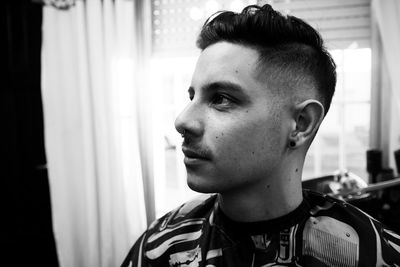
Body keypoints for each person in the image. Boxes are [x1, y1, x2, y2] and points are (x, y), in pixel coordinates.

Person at [122, 4, 400, 266]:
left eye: (221, 98)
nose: (182, 120)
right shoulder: (159, 248)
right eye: (193, 96)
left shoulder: (377, 255)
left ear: (301, 124)